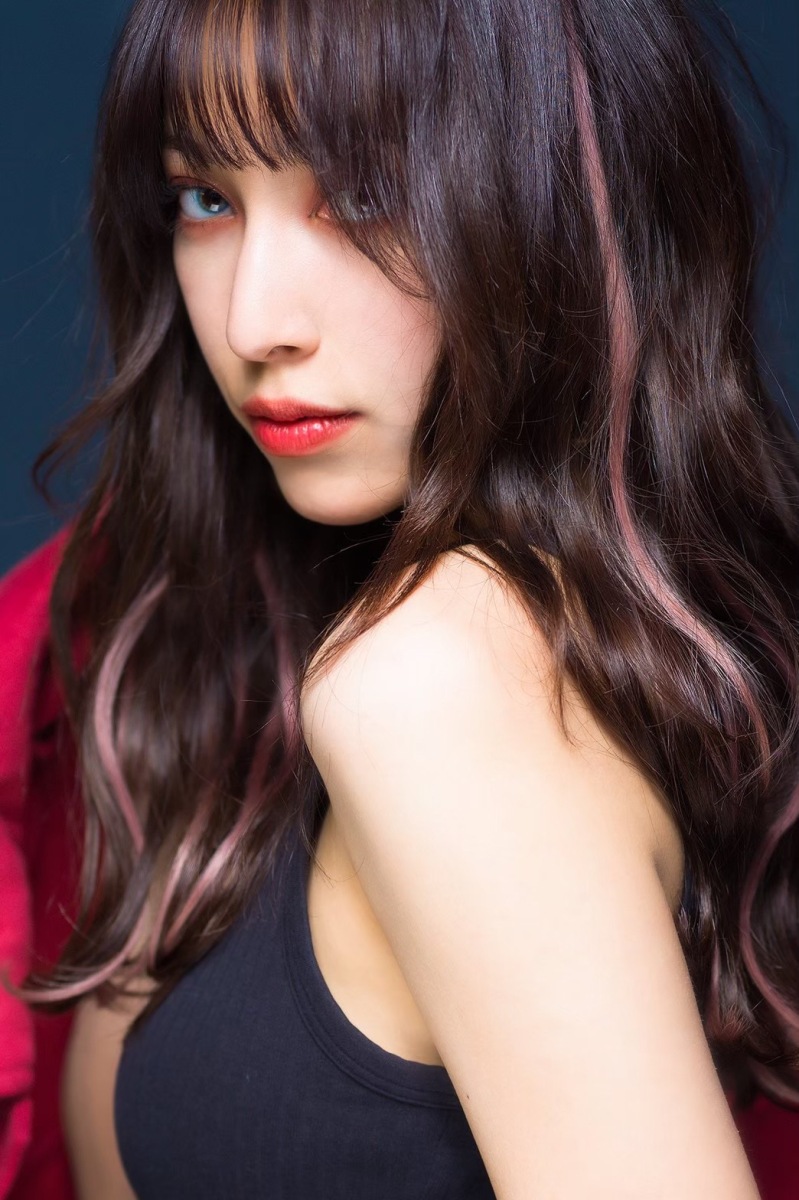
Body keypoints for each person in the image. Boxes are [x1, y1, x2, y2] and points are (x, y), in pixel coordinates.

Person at [2, 0, 799, 1196]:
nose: (254, 322)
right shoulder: (244, 627)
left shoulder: (438, 678)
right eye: (206, 198)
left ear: (557, 201)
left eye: (362, 193)